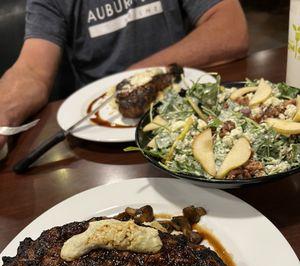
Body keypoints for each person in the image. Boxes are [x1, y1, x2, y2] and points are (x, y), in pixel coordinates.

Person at [0, 0, 248, 152]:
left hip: (185, 124)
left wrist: (137, 78)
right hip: (97, 140)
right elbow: (31, 70)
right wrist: (3, 113)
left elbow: (231, 31)